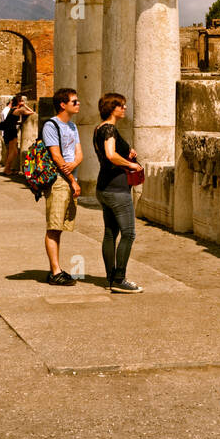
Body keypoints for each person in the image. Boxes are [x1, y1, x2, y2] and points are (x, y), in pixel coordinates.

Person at [92, 92, 145, 293]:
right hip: (116, 189)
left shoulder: (98, 129)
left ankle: (110, 278)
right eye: (121, 106)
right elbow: (110, 155)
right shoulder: (109, 129)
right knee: (129, 233)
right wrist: (131, 164)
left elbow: (110, 155)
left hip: (104, 187)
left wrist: (127, 154)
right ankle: (120, 279)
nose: (124, 108)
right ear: (112, 108)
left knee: (110, 233)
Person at [41, 88, 82, 286]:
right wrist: (72, 180)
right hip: (58, 180)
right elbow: (56, 156)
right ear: (63, 105)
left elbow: (79, 153)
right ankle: (55, 271)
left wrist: (74, 166)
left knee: (61, 227)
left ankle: (56, 268)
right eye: (74, 101)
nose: (78, 104)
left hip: (70, 177)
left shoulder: (73, 127)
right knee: (54, 227)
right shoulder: (51, 125)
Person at [0, 94, 34, 175]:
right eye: (22, 101)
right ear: (19, 102)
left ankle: (7, 168)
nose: (23, 102)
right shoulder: (19, 111)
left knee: (10, 151)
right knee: (13, 151)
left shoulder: (12, 110)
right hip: (11, 131)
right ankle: (7, 169)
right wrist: (25, 105)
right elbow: (32, 112)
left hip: (8, 131)